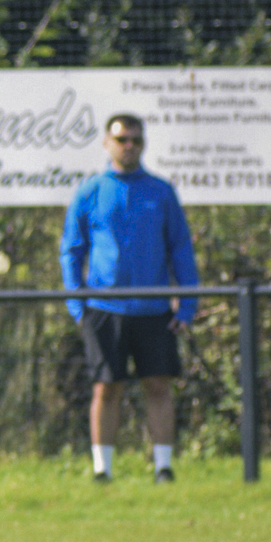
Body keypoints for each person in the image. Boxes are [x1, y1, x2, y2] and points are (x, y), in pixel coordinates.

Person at [60, 111, 199, 482]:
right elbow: (71, 250)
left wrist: (186, 305)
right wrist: (78, 305)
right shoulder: (91, 191)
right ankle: (102, 470)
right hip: (104, 309)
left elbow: (180, 249)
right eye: (122, 139)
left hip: (154, 309)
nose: (129, 146)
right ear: (107, 143)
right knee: (107, 387)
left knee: (158, 385)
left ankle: (164, 467)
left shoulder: (161, 192)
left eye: (136, 140)